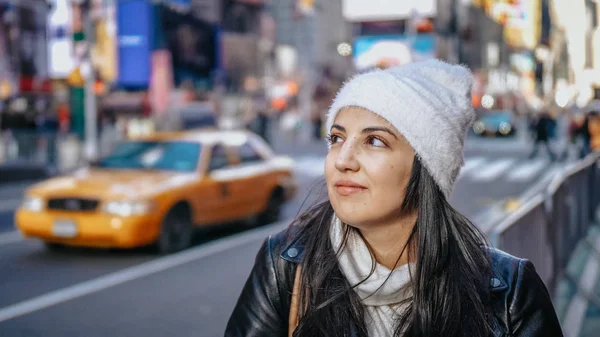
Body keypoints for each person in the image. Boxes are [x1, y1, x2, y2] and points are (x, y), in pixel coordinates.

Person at [225, 60, 563, 337]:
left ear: (427, 168)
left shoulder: (507, 293)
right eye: (337, 138)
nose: (343, 159)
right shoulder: (285, 265)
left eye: (374, 141)